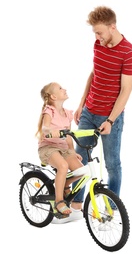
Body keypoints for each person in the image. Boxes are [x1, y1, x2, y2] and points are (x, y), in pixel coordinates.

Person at [54, 6, 132, 223]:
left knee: (112, 164)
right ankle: (76, 205)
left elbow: (125, 91)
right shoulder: (98, 44)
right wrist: (82, 103)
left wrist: (111, 120)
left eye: (99, 32)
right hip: (89, 113)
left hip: (110, 118)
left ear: (113, 26)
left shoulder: (130, 53)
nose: (97, 37)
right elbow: (95, 73)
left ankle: (110, 210)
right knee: (79, 160)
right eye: (94, 33)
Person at [35, 82, 84, 217]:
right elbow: (45, 127)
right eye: (60, 88)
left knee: (82, 171)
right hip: (48, 147)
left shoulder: (67, 114)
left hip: (63, 148)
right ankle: (59, 201)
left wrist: (72, 152)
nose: (65, 89)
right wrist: (50, 131)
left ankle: (65, 186)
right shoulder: (49, 111)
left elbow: (68, 136)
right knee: (63, 166)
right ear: (53, 96)